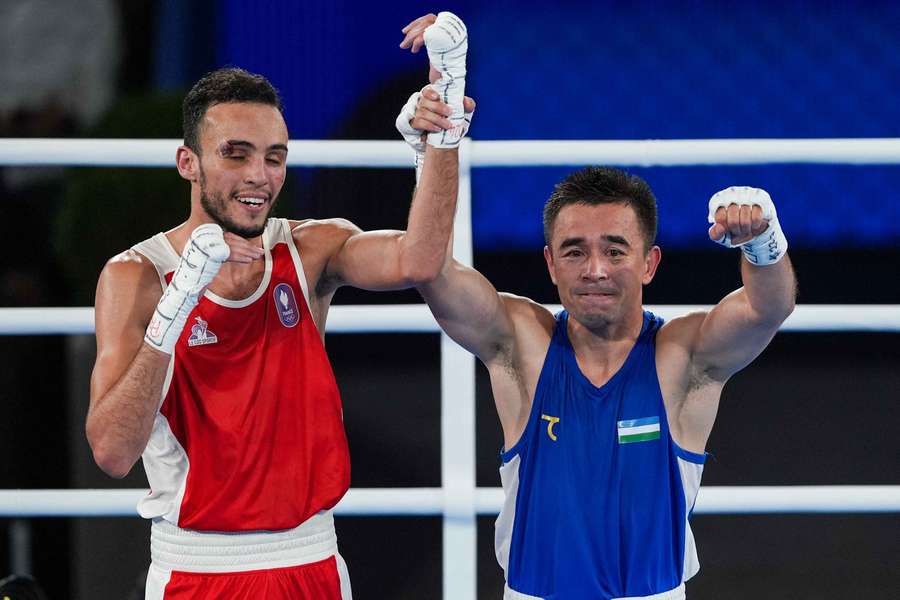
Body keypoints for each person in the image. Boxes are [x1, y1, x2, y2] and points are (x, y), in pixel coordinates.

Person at [86, 12, 473, 599]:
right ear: (188, 163)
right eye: (235, 154)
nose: (259, 176)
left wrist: (440, 136)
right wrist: (178, 305)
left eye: (274, 156)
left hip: (312, 560)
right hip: (196, 571)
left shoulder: (310, 248)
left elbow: (420, 261)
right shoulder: (137, 276)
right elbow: (112, 452)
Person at [404, 161, 795, 598]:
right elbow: (430, 271)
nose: (595, 270)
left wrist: (763, 242)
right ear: (551, 263)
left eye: (614, 251)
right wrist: (438, 148)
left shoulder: (681, 357)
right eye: (575, 251)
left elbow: (766, 309)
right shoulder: (521, 343)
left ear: (649, 262)